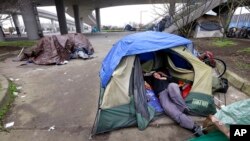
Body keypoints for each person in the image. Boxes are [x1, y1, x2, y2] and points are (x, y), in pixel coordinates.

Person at [144, 69, 204, 137]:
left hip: (170, 89)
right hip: (162, 93)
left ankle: (183, 107)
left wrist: (164, 77)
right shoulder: (152, 80)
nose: (156, 75)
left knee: (172, 85)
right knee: (167, 107)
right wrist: (151, 74)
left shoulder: (166, 78)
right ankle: (193, 126)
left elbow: (175, 82)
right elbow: (144, 77)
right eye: (154, 75)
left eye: (157, 74)